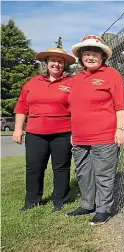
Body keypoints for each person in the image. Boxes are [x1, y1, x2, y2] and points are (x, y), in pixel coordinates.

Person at [67, 35, 124, 225]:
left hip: (104, 135)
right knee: (83, 173)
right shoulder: (77, 78)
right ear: (81, 57)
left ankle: (103, 209)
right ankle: (87, 204)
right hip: (79, 137)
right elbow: (74, 108)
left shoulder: (111, 75)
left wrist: (120, 129)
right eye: (86, 53)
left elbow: (121, 105)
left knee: (103, 174)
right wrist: (72, 133)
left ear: (102, 56)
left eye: (95, 53)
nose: (90, 57)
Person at [13, 48, 76, 212]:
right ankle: (32, 201)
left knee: (61, 167)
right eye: (53, 61)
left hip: (63, 132)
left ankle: (60, 200)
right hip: (35, 133)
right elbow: (22, 106)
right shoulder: (32, 83)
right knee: (34, 167)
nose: (57, 64)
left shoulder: (71, 83)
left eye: (61, 62)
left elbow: (79, 107)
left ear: (65, 65)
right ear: (46, 63)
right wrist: (18, 129)